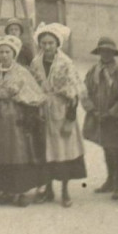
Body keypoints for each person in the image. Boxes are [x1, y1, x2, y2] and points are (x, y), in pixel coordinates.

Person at [0, 36, 47, 207]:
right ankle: (5, 189)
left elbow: (35, 94)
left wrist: (17, 97)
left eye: (7, 52)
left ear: (14, 54)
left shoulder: (22, 72)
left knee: (17, 151)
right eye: (1, 52)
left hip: (15, 116)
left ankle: (21, 191)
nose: (3, 55)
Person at [29, 23, 87, 208]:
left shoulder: (65, 63)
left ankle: (65, 191)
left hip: (61, 110)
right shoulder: (35, 63)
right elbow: (31, 86)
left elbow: (74, 92)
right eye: (43, 43)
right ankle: (47, 189)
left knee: (63, 151)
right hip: (42, 110)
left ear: (57, 44)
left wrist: (70, 118)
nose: (47, 47)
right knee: (45, 151)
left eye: (51, 43)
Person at [82, 37, 118, 200]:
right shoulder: (93, 71)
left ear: (114, 53)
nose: (105, 54)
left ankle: (117, 183)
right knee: (106, 147)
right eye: (102, 51)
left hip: (114, 117)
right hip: (98, 115)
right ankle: (109, 180)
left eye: (109, 51)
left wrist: (112, 112)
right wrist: (92, 110)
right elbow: (84, 91)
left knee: (115, 149)